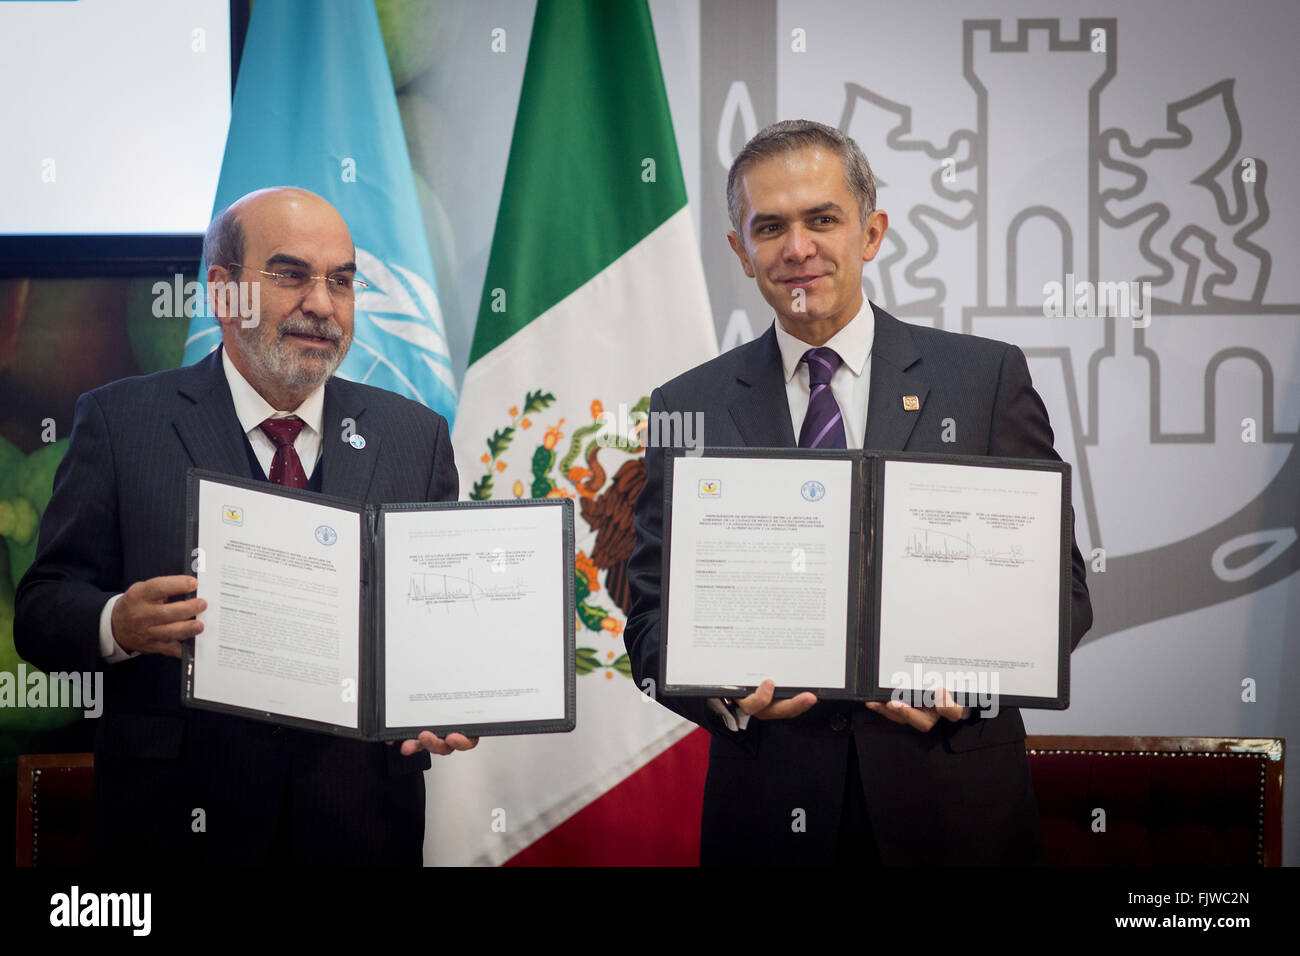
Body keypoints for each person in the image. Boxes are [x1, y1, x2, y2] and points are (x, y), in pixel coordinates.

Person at [623, 120, 1092, 865]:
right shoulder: (690, 405)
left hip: (952, 811)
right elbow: (648, 617)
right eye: (769, 226)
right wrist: (722, 691)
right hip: (769, 814)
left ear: (871, 232)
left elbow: (1061, 593)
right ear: (740, 251)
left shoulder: (984, 379)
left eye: (823, 219)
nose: (798, 247)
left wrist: (969, 686)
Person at [15, 187, 475, 865]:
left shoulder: (416, 439)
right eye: (291, 275)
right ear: (224, 291)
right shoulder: (121, 424)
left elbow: (438, 631)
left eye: (342, 282)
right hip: (174, 830)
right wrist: (118, 621)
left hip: (359, 831)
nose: (321, 304)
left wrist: (446, 698)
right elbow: (41, 611)